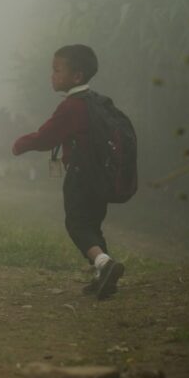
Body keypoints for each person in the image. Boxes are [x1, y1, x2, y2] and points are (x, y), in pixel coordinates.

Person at [11, 44, 125, 300]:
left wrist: (20, 144)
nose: (52, 75)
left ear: (77, 76)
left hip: (81, 176)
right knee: (92, 224)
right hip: (101, 175)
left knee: (76, 223)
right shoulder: (96, 101)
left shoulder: (72, 106)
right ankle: (103, 277)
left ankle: (104, 264)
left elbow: (46, 137)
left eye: (56, 70)